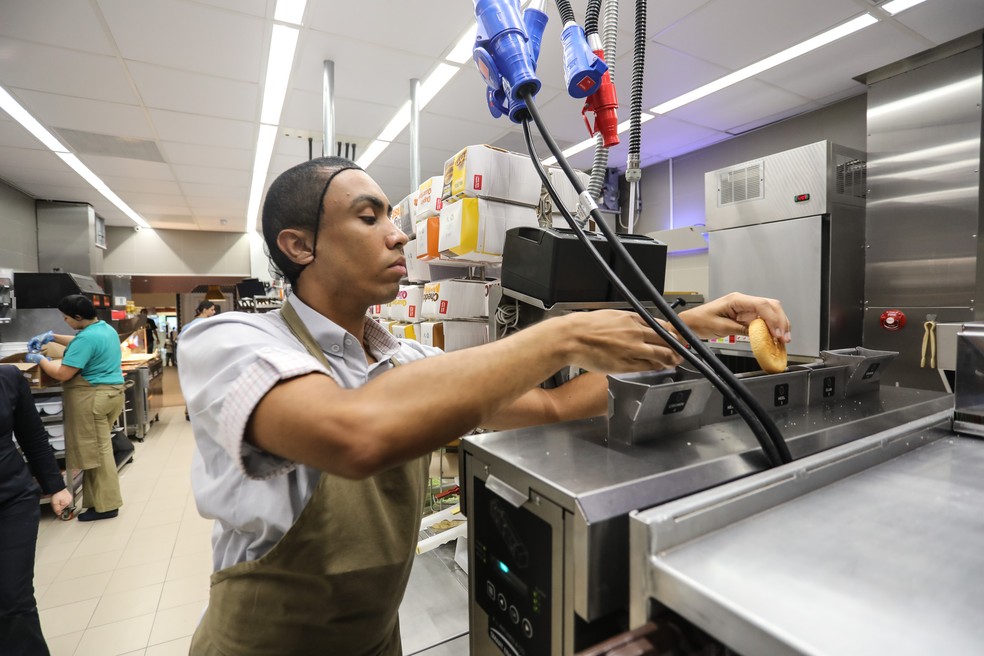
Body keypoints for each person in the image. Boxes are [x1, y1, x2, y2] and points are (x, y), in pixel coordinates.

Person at [178, 156, 791, 656]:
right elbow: (353, 433)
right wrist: (561, 335)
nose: (400, 232)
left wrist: (689, 331)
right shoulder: (230, 343)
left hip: (372, 641)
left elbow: (554, 410)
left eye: (394, 215)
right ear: (299, 245)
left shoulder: (405, 360)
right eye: (370, 218)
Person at [26, 294, 126, 522]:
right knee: (96, 452)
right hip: (110, 395)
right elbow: (79, 342)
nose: (65, 321)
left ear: (78, 317)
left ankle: (107, 506)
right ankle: (96, 502)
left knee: (98, 454)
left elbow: (62, 373)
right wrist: (52, 337)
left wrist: (38, 359)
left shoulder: (87, 339)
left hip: (93, 399)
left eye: (67, 318)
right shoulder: (104, 329)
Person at [0, 365, 73, 655]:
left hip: (12, 500)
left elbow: (33, 436)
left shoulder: (7, 378)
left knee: (14, 598)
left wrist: (55, 485)